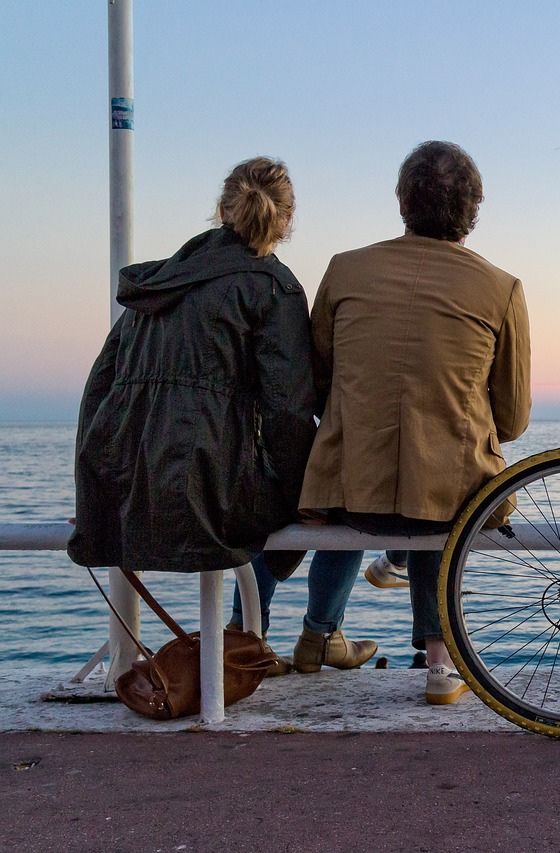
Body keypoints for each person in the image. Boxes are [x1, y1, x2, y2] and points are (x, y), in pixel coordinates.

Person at [256, 141, 531, 699]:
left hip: (346, 491)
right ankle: (440, 665)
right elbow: (512, 416)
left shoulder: (345, 269)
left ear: (402, 201)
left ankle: (285, 633)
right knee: (444, 492)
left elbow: (318, 378)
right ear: (473, 209)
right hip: (446, 501)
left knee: (391, 487)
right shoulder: (501, 288)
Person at [69, 158, 316, 666]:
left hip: (126, 489)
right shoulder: (274, 288)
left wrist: (95, 491)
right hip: (211, 495)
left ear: (221, 209)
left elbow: (98, 393)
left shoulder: (159, 282)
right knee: (337, 502)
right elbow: (288, 415)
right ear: (287, 220)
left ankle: (247, 635)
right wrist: (306, 497)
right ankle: (298, 632)